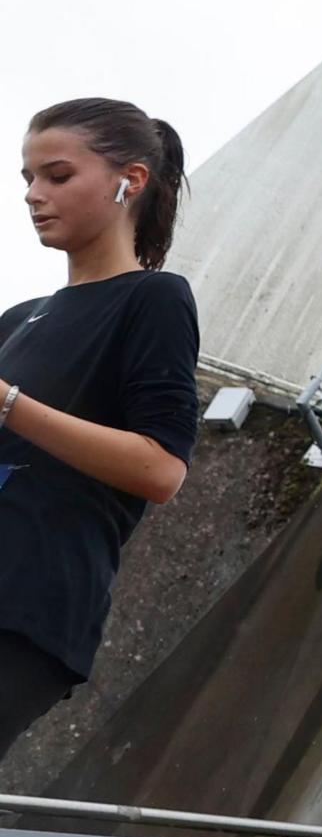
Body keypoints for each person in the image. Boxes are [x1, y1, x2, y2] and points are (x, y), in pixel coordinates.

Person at [1, 100, 200, 760]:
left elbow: (161, 468)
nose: (33, 195)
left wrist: (10, 404)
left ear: (130, 181)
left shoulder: (155, 299)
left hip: (27, 606)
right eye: (26, 178)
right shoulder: (19, 318)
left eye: (57, 176)